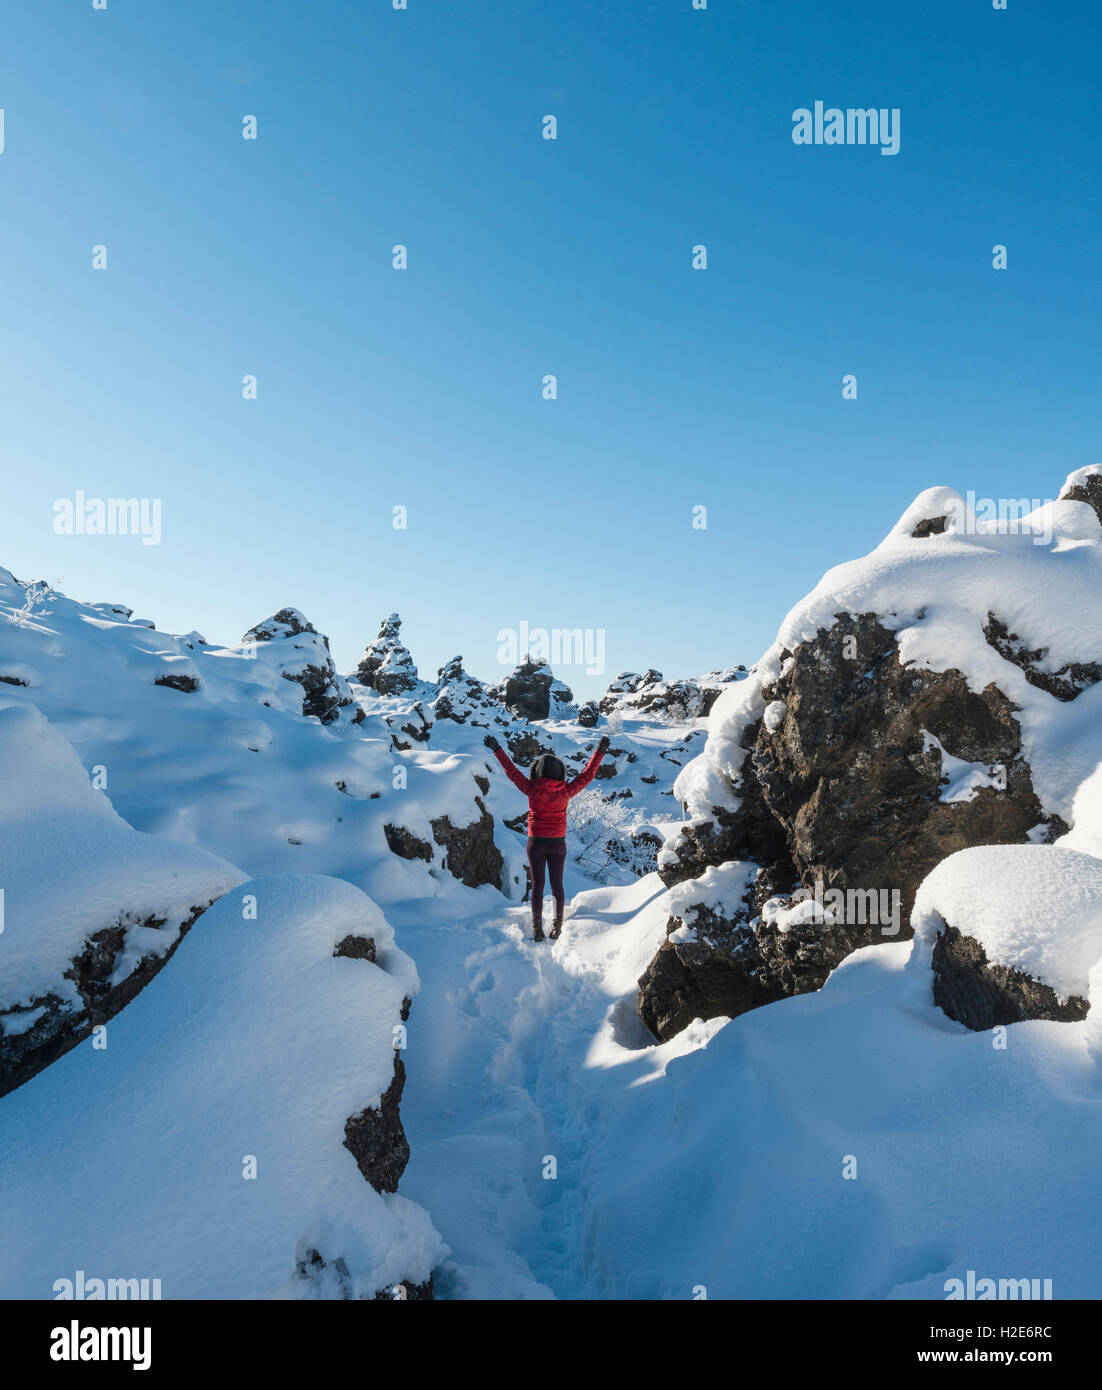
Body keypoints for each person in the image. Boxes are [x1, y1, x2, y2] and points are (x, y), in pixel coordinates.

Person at [484, 732, 611, 941]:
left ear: (538, 771)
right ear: (559, 772)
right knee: (557, 885)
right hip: (557, 844)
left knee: (537, 885)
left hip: (535, 844)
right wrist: (599, 752)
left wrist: (497, 749)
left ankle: (536, 928)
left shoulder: (532, 789)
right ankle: (557, 926)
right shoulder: (565, 791)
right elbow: (587, 775)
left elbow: (511, 771)